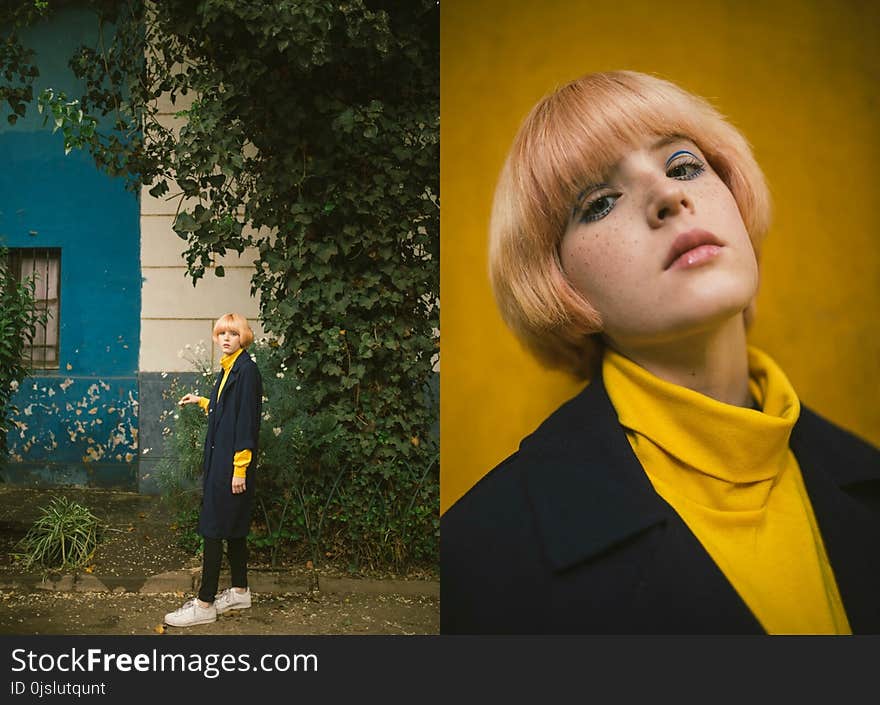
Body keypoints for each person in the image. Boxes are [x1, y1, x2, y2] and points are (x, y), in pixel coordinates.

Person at [441, 70, 880, 634]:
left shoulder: (866, 478)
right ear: (559, 284)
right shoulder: (476, 562)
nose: (670, 196)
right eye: (599, 203)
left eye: (683, 166)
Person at [164, 313, 263, 627]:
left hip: (231, 464)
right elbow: (228, 411)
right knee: (233, 528)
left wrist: (240, 469)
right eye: (222, 333)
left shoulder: (246, 371)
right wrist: (203, 401)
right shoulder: (231, 367)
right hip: (223, 460)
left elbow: (246, 423)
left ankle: (205, 604)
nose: (226, 339)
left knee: (213, 528)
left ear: (243, 337)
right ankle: (240, 590)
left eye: (233, 334)